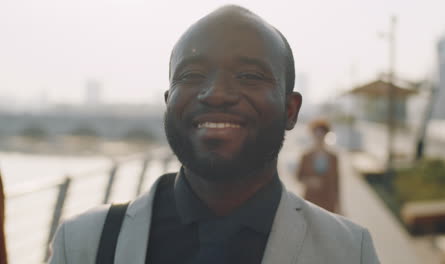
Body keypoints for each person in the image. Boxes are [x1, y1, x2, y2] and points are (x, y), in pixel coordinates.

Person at [49, 5, 380, 264]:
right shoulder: (84, 243)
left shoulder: (350, 252)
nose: (216, 94)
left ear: (290, 110)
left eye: (249, 75)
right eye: (192, 74)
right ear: (168, 103)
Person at [297, 119, 340, 213]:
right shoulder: (305, 156)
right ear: (312, 134)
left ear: (326, 135)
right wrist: (309, 181)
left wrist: (339, 205)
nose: (319, 136)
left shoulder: (333, 157)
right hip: (310, 200)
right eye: (316, 133)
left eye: (322, 134)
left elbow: (337, 182)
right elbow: (299, 177)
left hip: (328, 201)